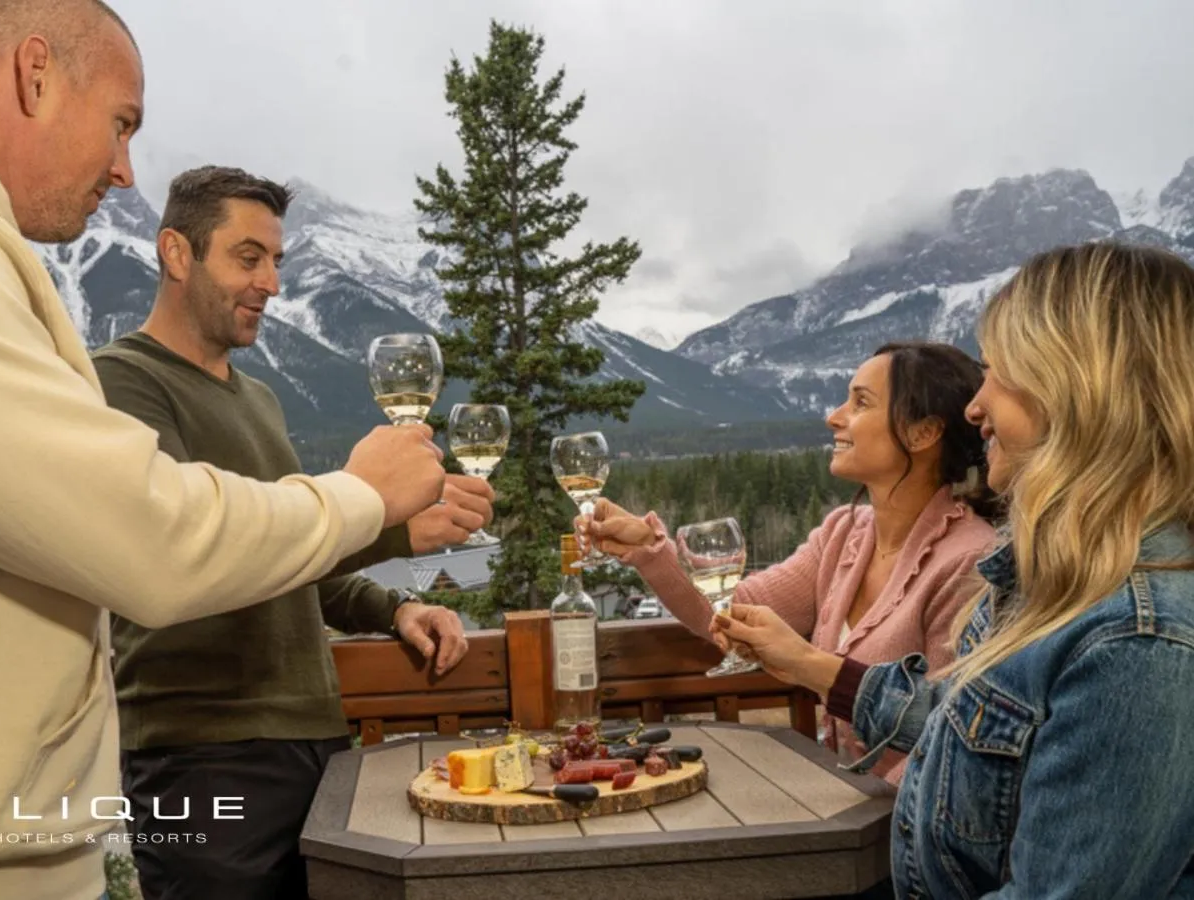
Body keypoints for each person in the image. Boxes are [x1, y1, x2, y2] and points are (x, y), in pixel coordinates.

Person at [0, 3, 446, 898]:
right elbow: (148, 534)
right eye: (121, 123)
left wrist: (384, 596)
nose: (124, 170)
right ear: (33, 73)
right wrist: (361, 499)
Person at [714, 243, 1194, 898]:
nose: (976, 406)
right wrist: (799, 662)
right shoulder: (1056, 583)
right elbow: (975, 723)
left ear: (1077, 389)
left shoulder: (1135, 640)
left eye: (999, 372)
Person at [91, 165, 494, 899]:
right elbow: (189, 548)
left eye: (276, 261)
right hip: (200, 748)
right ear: (176, 253)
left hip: (313, 737)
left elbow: (298, 554)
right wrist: (383, 516)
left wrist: (394, 607)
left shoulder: (261, 399)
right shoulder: (121, 383)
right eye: (248, 258)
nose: (271, 283)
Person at [580, 342, 999, 782]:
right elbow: (728, 611)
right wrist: (648, 548)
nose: (833, 417)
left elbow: (948, 733)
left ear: (922, 433)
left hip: (902, 828)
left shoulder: (970, 560)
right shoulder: (844, 533)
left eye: (860, 402)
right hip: (849, 810)